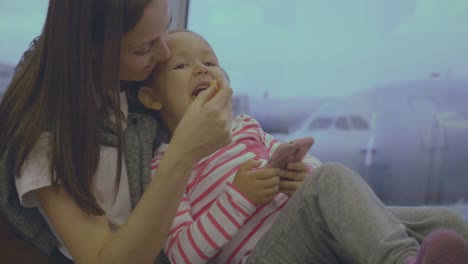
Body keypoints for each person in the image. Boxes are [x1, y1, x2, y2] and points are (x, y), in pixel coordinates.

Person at [138, 29, 468, 264]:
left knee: (445, 223)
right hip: (262, 255)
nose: (201, 69)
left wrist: (302, 177)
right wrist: (239, 197)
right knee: (330, 178)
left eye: (210, 62)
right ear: (152, 97)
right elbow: (181, 254)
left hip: (309, 236)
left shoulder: (247, 128)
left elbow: (313, 171)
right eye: (182, 66)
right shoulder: (168, 166)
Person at [0, 1, 233, 263]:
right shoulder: (44, 143)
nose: (164, 52)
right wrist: (183, 153)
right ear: (91, 50)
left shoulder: (132, 86)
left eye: (165, 29)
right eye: (143, 48)